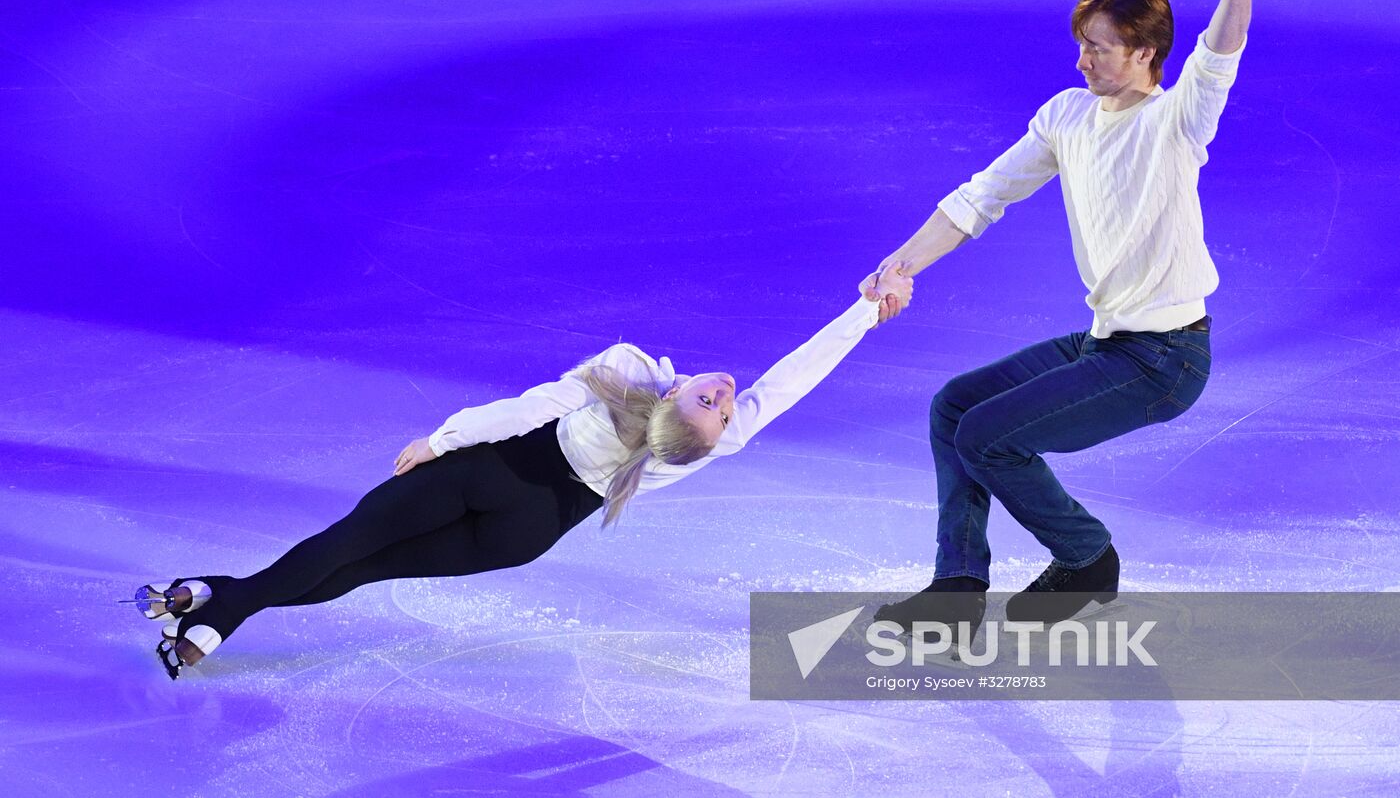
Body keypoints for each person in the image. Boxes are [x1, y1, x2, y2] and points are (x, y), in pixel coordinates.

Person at [133, 266, 914, 678]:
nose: (728, 393)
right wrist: (446, 440)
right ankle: (216, 608)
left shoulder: (675, 417)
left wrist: (449, 440)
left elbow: (790, 382)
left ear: (694, 432)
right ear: (675, 392)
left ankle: (212, 600)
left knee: (362, 561)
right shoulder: (629, 371)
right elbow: (537, 402)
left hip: (521, 516)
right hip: (495, 481)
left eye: (719, 406)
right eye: (719, 395)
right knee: (347, 545)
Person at [869, 0, 1268, 638]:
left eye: (1099, 47)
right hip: (1105, 343)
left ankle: (1088, 559)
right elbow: (982, 196)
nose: (1081, 59)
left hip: (1166, 358)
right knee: (955, 407)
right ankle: (957, 588)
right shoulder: (1067, 116)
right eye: (1082, 43)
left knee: (988, 435)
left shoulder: (1176, 118)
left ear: (1145, 52)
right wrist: (903, 262)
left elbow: (1222, 47)